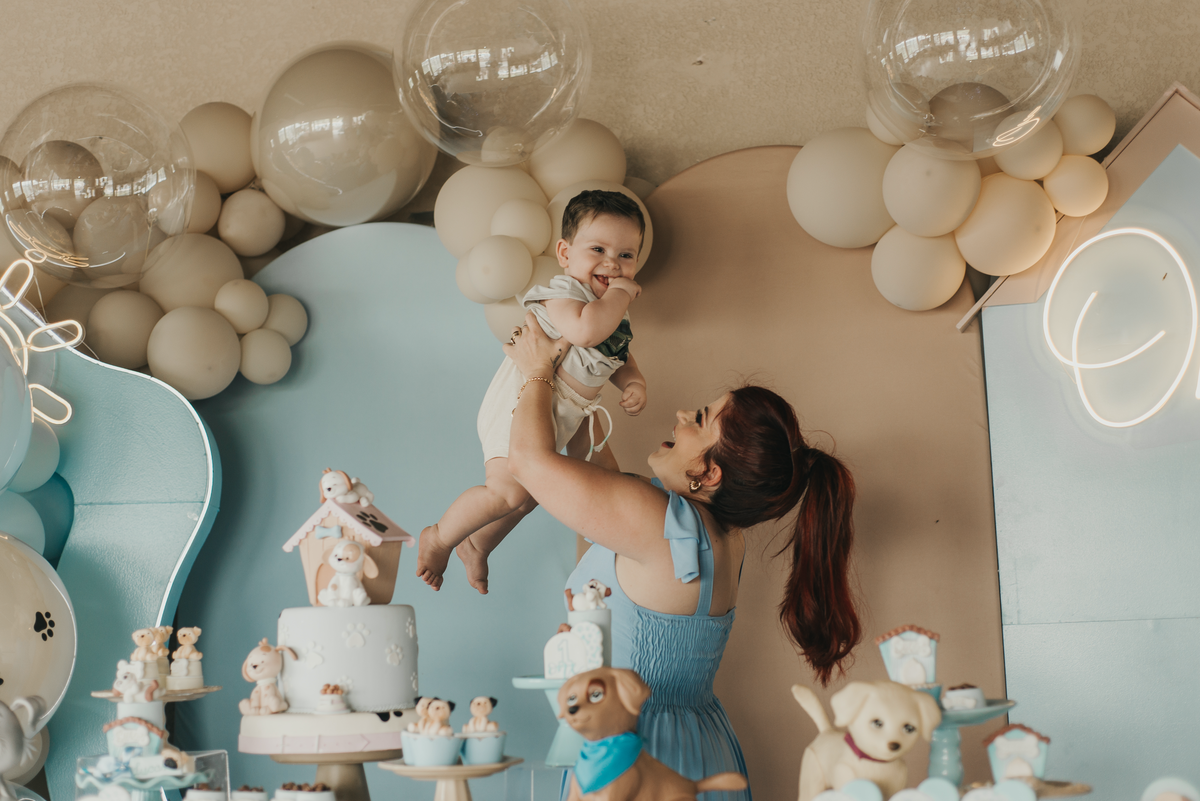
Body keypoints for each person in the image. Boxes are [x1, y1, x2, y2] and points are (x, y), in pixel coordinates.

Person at [504, 314, 861, 800]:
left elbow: (526, 462)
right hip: (702, 745)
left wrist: (537, 371)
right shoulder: (722, 536)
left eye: (699, 420)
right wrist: (581, 391)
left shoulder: (657, 523)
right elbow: (603, 488)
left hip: (634, 758)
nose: (680, 415)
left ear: (709, 474)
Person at [418, 190, 649, 593]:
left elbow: (618, 352)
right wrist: (621, 292)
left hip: (565, 412)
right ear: (565, 253)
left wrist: (634, 381)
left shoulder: (613, 311)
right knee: (506, 492)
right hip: (520, 401)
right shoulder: (563, 294)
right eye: (598, 249)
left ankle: (478, 544)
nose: (613, 263)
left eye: (626, 255)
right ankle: (439, 537)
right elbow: (585, 331)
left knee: (534, 494)